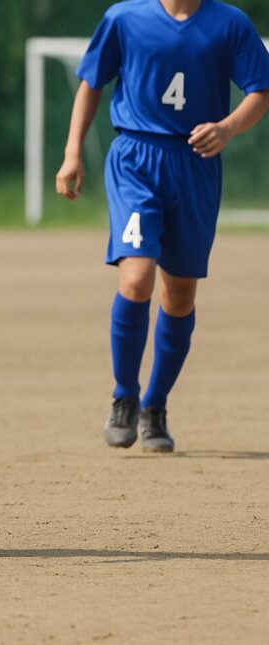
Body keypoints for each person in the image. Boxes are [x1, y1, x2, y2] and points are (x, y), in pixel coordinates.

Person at [57, 0, 269, 452]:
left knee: (180, 294)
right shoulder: (124, 18)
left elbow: (260, 91)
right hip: (136, 159)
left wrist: (228, 127)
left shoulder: (230, 23)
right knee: (136, 278)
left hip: (195, 166)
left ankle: (154, 406)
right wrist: (73, 152)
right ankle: (124, 397)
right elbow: (91, 82)